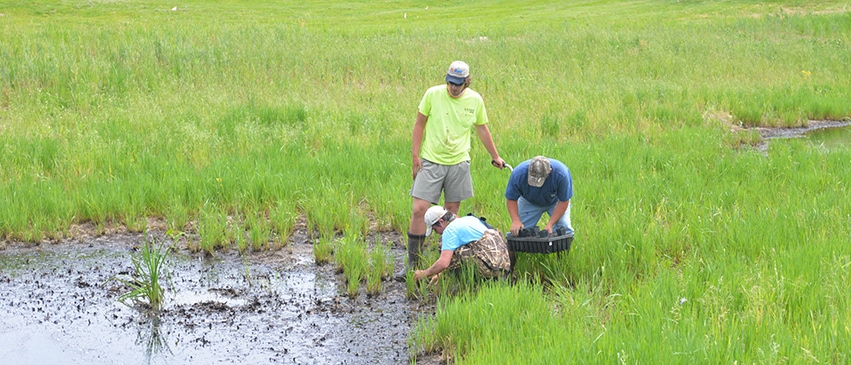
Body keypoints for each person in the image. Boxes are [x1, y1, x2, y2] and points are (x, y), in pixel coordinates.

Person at [396, 60, 506, 281]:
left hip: (458, 162)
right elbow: (419, 124)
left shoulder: (475, 100)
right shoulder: (433, 94)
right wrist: (415, 156)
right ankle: (411, 265)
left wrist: (495, 156)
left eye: (458, 84)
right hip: (431, 160)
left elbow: (482, 128)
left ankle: (445, 267)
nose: (453, 88)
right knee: (419, 209)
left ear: (466, 82)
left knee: (450, 215)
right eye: (450, 83)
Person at [413, 206, 511, 283]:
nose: (437, 232)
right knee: (455, 247)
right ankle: (499, 278)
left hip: (490, 267)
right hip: (505, 264)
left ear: (441, 222)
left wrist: (425, 273)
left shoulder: (450, 230)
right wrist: (440, 274)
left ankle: (467, 281)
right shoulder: (469, 219)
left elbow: (444, 262)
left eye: (434, 229)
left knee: (444, 244)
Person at [505, 156, 573, 237]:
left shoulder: (561, 174)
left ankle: (562, 249)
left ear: (549, 171)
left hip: (555, 202)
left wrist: (550, 224)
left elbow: (564, 201)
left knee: (565, 229)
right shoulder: (519, 174)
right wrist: (515, 220)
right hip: (528, 201)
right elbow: (511, 199)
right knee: (519, 232)